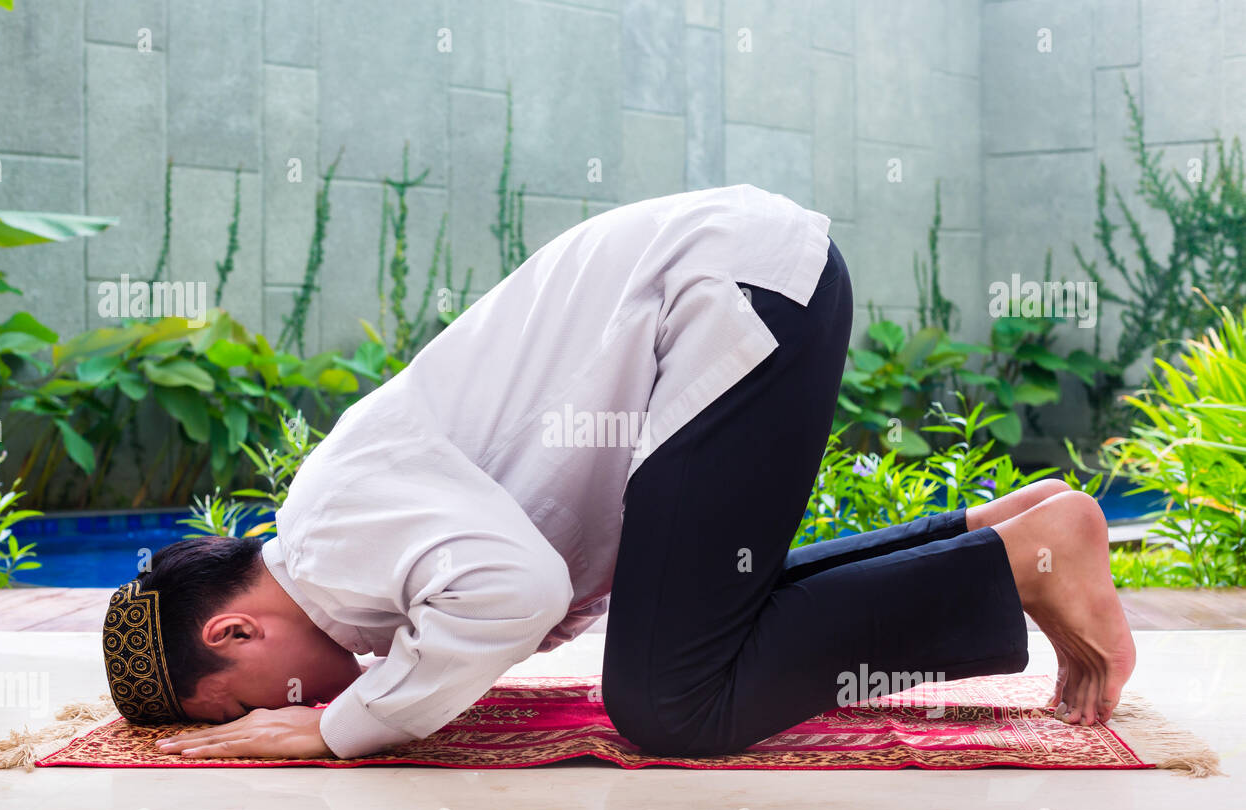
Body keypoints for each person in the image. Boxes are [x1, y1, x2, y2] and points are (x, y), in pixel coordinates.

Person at [100, 183, 1136, 761]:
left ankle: (1029, 560)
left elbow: (517, 588)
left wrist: (335, 729)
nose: (268, 717)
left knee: (670, 700)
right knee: (691, 638)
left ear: (233, 630)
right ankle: (994, 539)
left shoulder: (335, 531)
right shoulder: (342, 544)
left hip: (725, 294)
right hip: (741, 285)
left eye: (241, 706)